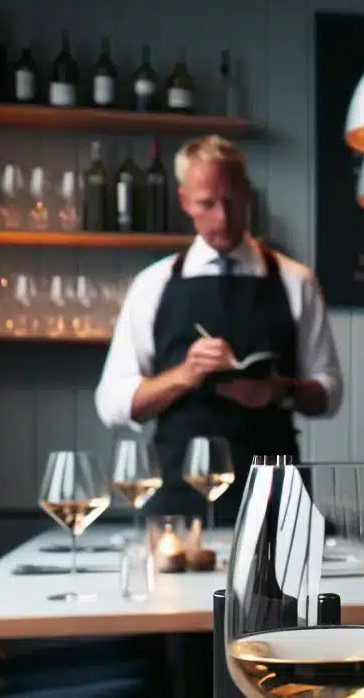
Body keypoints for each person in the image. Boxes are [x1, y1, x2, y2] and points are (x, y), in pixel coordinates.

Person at [95, 135, 342, 524]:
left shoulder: (297, 281)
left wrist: (280, 390)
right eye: (207, 204)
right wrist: (185, 375)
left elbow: (329, 392)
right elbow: (112, 403)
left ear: (248, 195)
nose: (222, 218)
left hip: (276, 496)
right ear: (184, 202)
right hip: (177, 496)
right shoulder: (152, 284)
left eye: (231, 202)